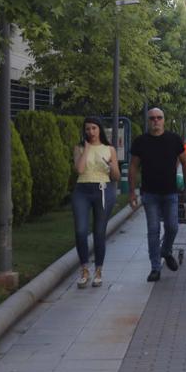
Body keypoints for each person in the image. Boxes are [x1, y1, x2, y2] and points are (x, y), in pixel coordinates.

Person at [129, 108, 186, 282]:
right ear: (148, 121)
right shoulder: (141, 142)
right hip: (150, 194)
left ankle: (166, 250)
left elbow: (185, 163)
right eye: (152, 118)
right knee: (153, 230)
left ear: (164, 120)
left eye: (159, 118)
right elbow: (133, 166)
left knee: (173, 227)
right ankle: (155, 267)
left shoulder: (174, 139)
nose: (156, 121)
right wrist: (132, 191)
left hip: (170, 192)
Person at [71, 117, 119, 289]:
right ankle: (84, 269)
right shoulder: (79, 148)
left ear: (100, 129)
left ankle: (99, 270)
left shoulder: (109, 149)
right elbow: (80, 170)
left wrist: (111, 166)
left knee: (99, 232)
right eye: (87, 129)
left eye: (94, 128)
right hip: (82, 190)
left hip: (102, 189)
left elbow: (116, 177)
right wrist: (87, 149)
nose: (90, 132)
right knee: (80, 230)